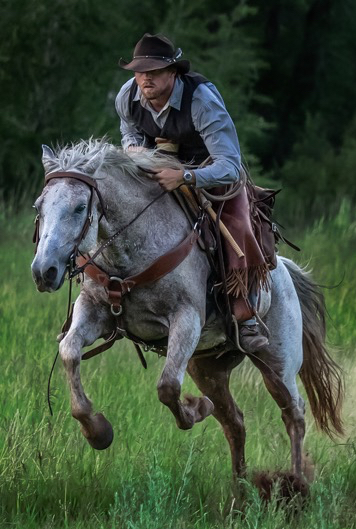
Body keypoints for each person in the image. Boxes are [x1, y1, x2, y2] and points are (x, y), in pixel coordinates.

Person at [115, 33, 269, 353]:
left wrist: (185, 176)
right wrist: (134, 151)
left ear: (173, 72)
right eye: (140, 71)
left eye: (154, 71)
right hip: (159, 165)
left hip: (210, 170)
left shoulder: (201, 101)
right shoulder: (127, 96)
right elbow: (128, 129)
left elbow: (230, 164)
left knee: (237, 224)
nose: (145, 77)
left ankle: (247, 311)